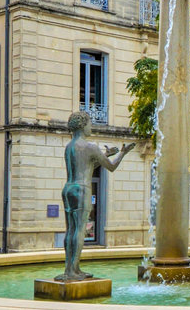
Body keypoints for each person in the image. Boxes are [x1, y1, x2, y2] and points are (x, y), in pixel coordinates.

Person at [58, 111, 135, 281]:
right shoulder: (90, 146)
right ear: (83, 125)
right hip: (82, 189)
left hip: (68, 188)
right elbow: (111, 167)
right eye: (89, 123)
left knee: (70, 229)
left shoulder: (69, 146)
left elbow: (86, 164)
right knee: (79, 229)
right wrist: (122, 153)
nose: (90, 127)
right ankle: (73, 271)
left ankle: (70, 269)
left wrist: (105, 154)